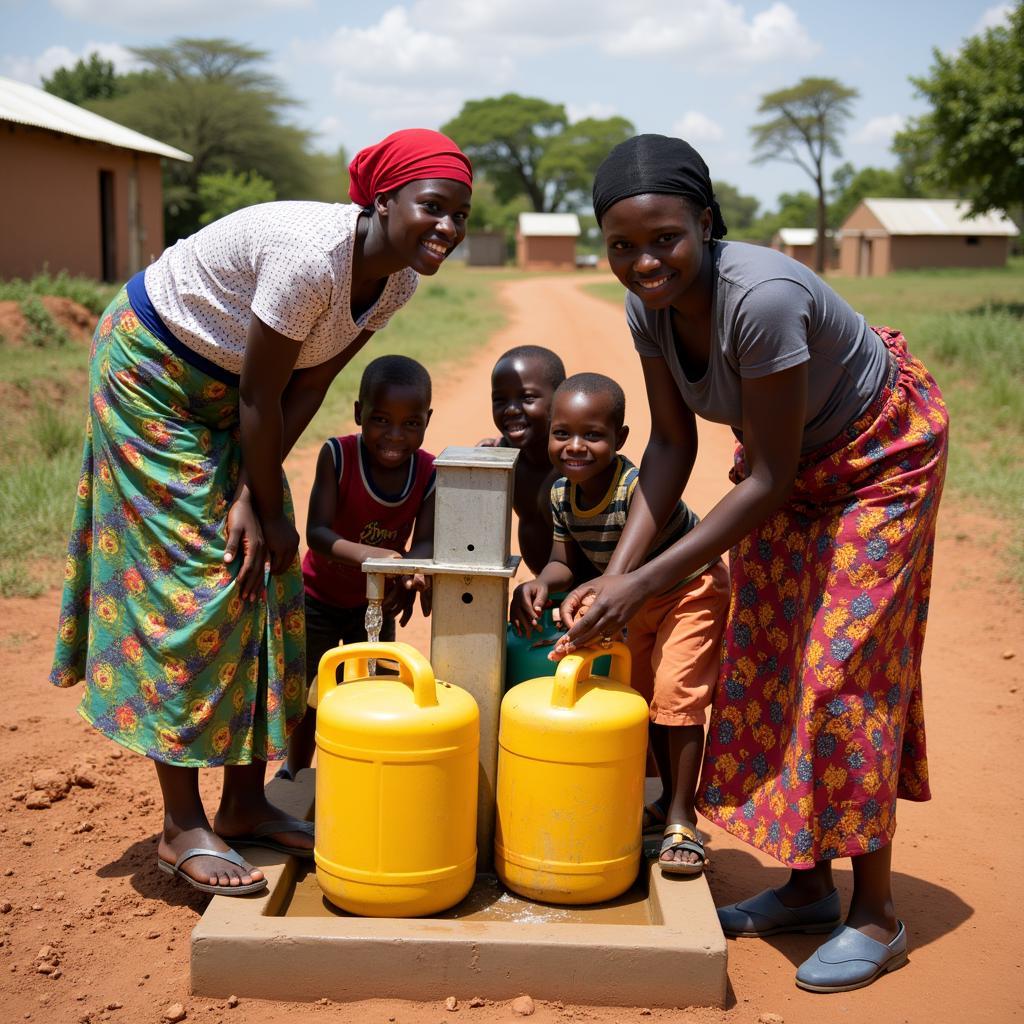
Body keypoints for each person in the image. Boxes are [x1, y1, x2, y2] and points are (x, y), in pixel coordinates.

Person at [552, 134, 948, 992]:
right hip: (787, 466)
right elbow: (666, 445)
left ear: (705, 221)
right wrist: (615, 574)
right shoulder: (645, 307)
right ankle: (807, 887)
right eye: (622, 245)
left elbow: (765, 477)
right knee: (766, 655)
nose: (645, 261)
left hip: (879, 460)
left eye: (665, 239)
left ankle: (876, 912)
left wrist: (644, 583)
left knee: (841, 672)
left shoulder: (759, 298)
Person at [49, 128, 472, 896]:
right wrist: (262, 499)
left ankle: (244, 803)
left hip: (238, 395)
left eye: (459, 215)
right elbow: (256, 395)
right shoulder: (310, 258)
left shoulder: (399, 281)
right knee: (197, 578)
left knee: (271, 572)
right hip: (153, 374)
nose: (447, 227)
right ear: (384, 200)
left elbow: (301, 389)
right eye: (433, 207)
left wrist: (258, 495)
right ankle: (180, 826)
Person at [510, 373, 728, 874]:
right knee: (644, 697)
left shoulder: (637, 489)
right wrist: (544, 580)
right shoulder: (562, 495)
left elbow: (632, 567)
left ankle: (681, 816)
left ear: (621, 439)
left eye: (593, 435)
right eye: (562, 433)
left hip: (688, 590)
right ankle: (663, 798)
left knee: (677, 693)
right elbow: (564, 559)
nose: (576, 447)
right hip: (634, 604)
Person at [281, 354, 436, 779]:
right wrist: (375, 557)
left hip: (376, 603)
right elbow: (317, 534)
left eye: (411, 424)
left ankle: (360, 769)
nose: (395, 435)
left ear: (427, 420)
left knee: (374, 684)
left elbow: (422, 540)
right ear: (358, 414)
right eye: (381, 420)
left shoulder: (428, 471)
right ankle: (295, 773)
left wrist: (411, 569)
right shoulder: (338, 456)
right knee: (314, 691)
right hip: (318, 600)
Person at [480, 345, 566, 575]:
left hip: (589, 589)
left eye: (526, 398)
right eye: (500, 400)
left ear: (560, 399)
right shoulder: (507, 459)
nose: (511, 410)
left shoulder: (573, 462)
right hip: (545, 588)